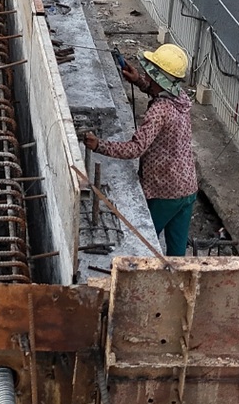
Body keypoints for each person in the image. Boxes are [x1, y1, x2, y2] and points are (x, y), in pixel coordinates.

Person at [82, 44, 198, 256]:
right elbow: (159, 91)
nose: (146, 73)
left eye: (149, 72)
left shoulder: (159, 112)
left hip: (165, 190)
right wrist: (139, 82)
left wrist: (100, 145)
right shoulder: (181, 98)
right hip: (187, 188)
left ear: (156, 76)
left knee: (143, 245)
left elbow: (136, 148)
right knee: (177, 254)